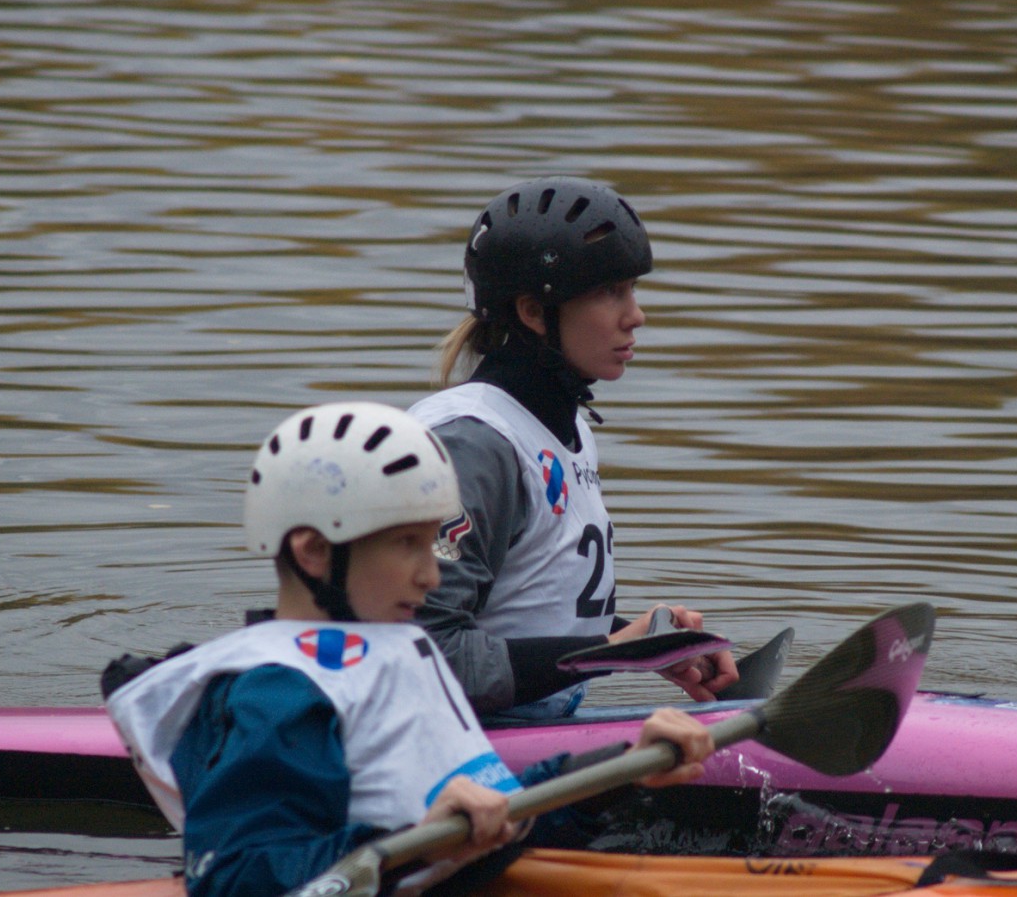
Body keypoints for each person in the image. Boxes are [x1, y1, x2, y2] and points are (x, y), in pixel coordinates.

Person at [104, 402, 714, 897]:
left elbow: (502, 814)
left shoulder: (400, 651)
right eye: (407, 545)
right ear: (314, 552)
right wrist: (417, 843)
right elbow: (240, 882)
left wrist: (617, 770)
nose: (431, 575)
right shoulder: (278, 693)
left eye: (434, 545)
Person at [409, 176, 739, 717]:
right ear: (533, 312)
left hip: (520, 728)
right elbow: (421, 657)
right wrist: (612, 651)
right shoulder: (470, 447)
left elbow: (528, 615)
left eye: (631, 290)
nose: (636, 315)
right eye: (610, 292)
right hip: (449, 746)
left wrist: (652, 643)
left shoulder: (564, 427)